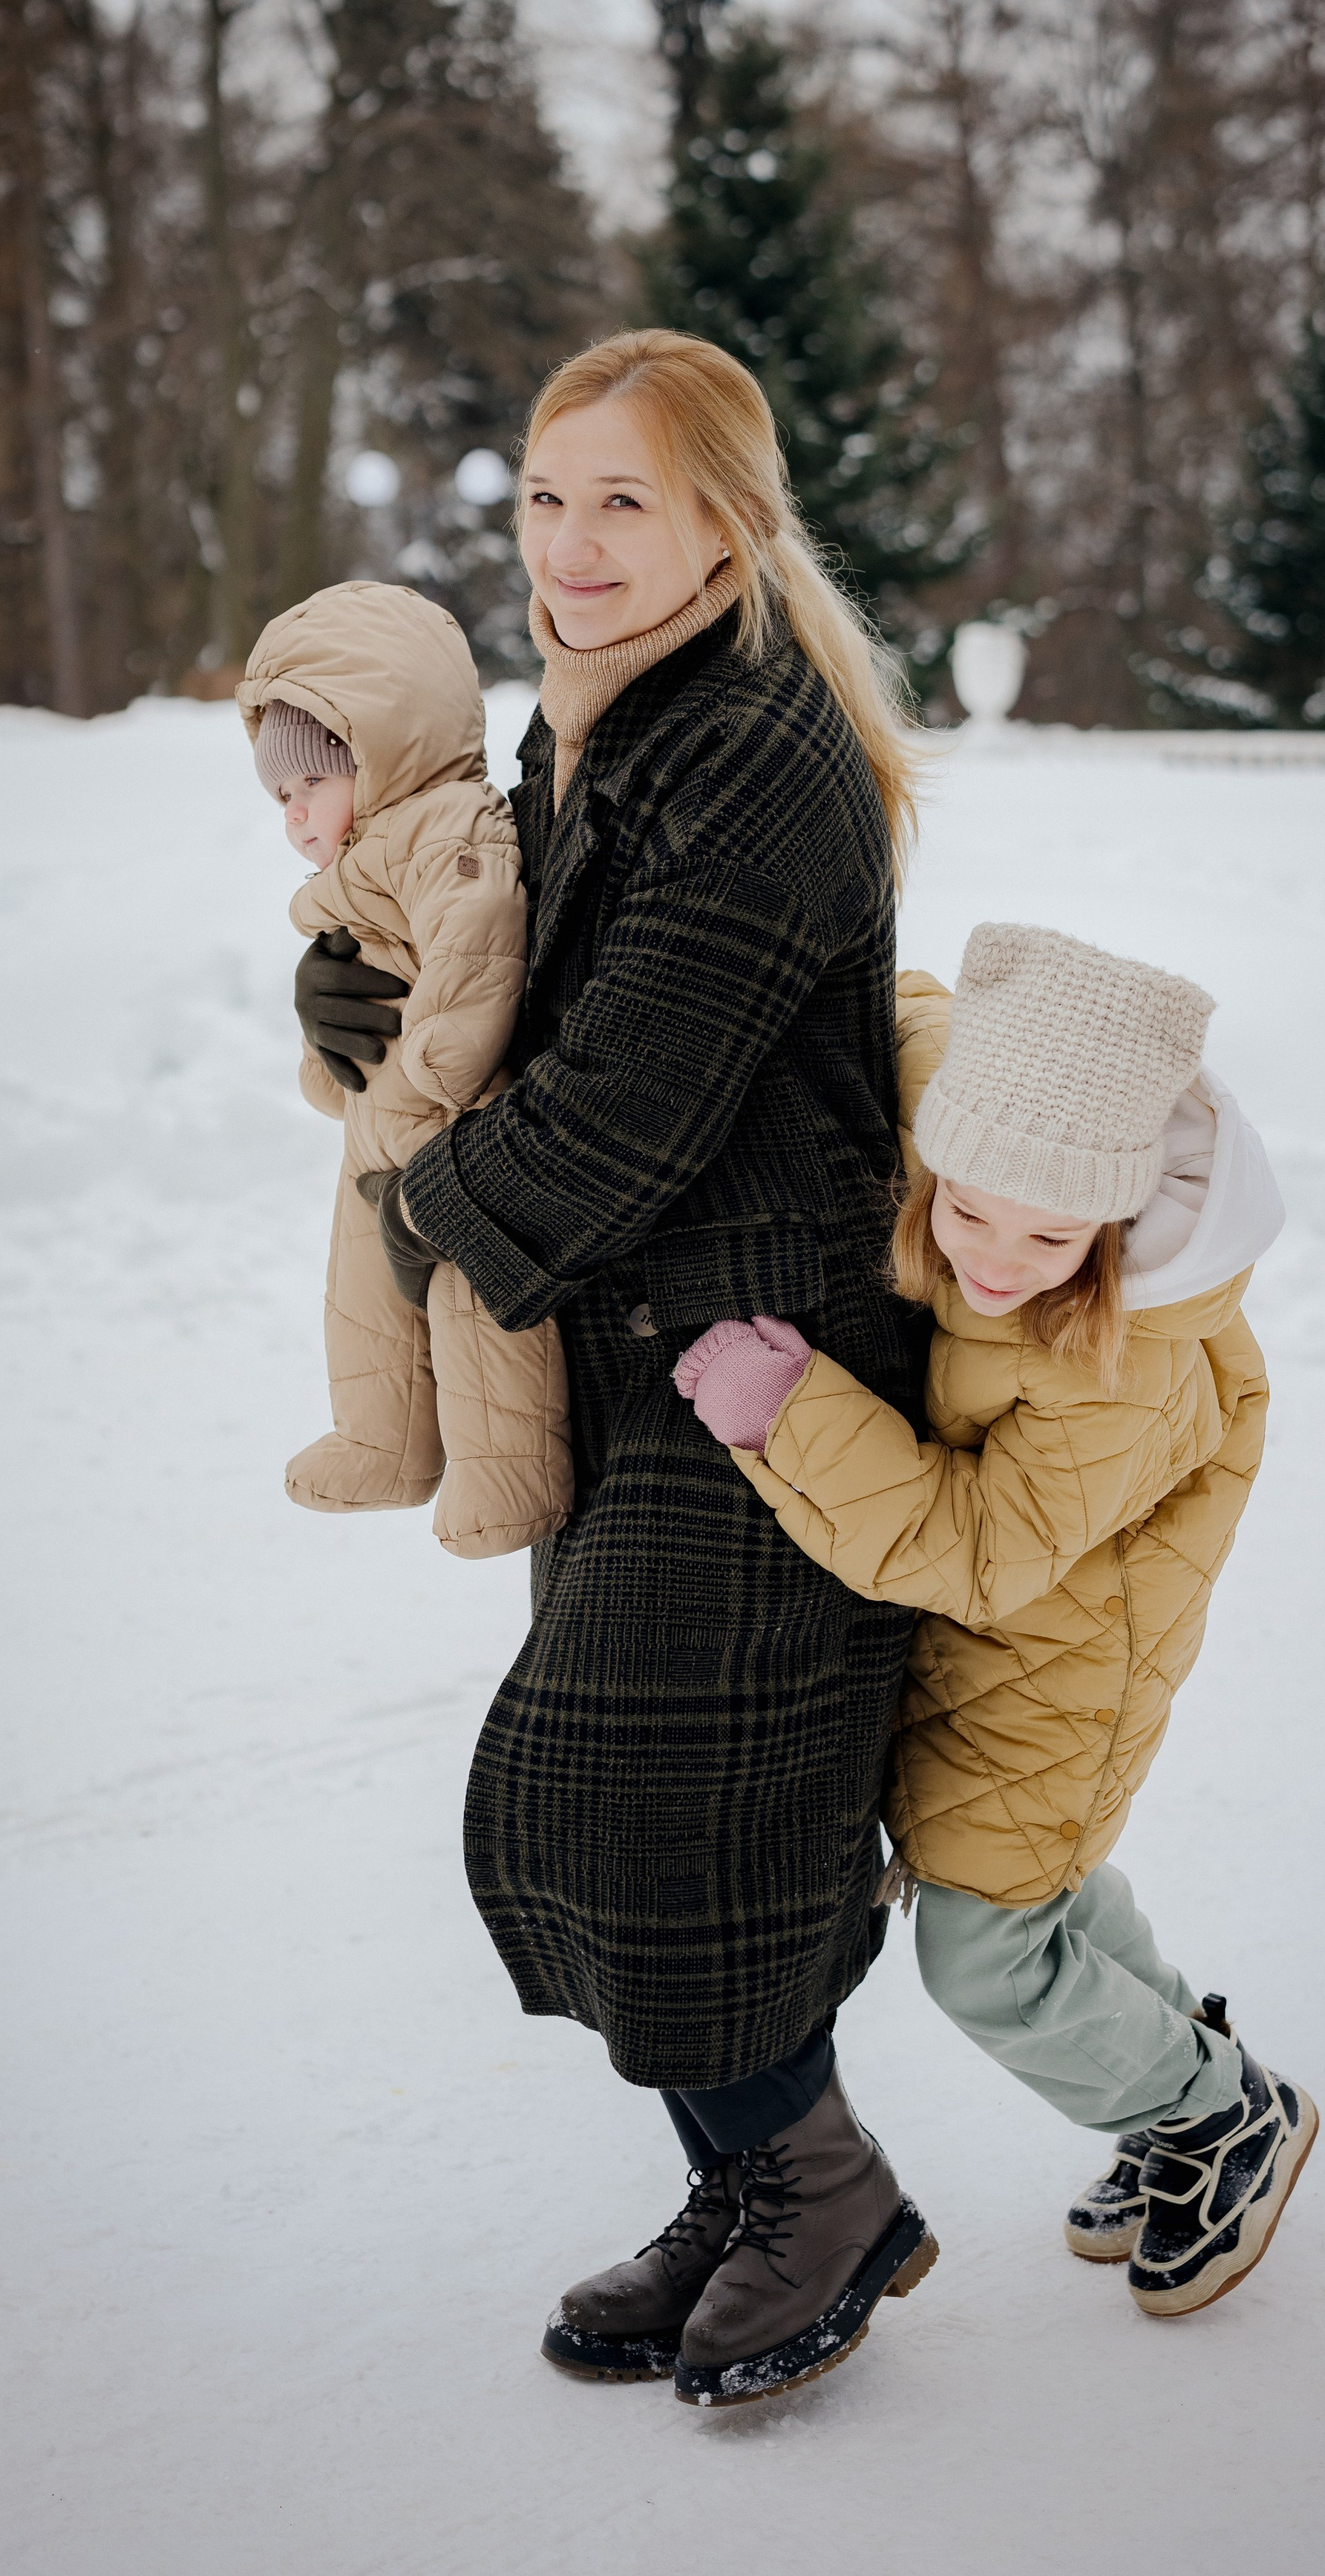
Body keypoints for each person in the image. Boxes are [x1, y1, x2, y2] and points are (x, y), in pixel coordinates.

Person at [292, 330, 937, 2410]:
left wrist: (411, 1209)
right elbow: (511, 1019)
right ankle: (749, 2178)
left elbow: (619, 1119)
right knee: (673, 1816)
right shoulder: (597, 733)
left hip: (762, 1369)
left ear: (726, 522)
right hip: (625, 1354)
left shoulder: (752, 756)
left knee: (648, 1807)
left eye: (622, 503)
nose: (568, 546)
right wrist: (362, 1004)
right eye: (546, 500)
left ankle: (812, 2182)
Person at [676, 922, 1317, 2320]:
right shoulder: (974, 1097)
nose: (1000, 1260)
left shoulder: (1121, 1364)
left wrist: (789, 1418)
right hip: (1011, 1653)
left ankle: (1217, 2121)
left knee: (985, 1954)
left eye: (1051, 1235)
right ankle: (1189, 2098)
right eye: (965, 1212)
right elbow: (909, 1017)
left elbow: (974, 1552)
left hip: (1055, 1670)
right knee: (1058, 1893)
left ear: (1116, 1214)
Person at [240, 579, 571, 1556]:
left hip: (456, 1122)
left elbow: (478, 943)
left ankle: (507, 1479)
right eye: (283, 798)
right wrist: (326, 1060)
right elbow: (361, 979)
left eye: (312, 784)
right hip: (381, 1125)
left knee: (477, 1309)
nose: (297, 818)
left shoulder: (450, 828)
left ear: (384, 747)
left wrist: (434, 1068)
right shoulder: (356, 867)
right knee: (364, 1299)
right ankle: (382, 1442)